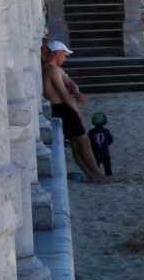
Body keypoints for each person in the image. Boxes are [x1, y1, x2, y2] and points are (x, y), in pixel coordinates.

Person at [42, 41, 106, 182]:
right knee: (84, 141)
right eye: (64, 55)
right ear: (56, 53)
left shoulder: (55, 68)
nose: (65, 58)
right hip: (62, 108)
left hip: (61, 108)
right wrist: (77, 112)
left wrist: (76, 92)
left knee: (76, 144)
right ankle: (97, 175)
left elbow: (70, 83)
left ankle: (91, 175)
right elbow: (64, 94)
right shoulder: (52, 69)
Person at [87, 111, 114, 177]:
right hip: (105, 153)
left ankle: (96, 177)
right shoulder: (106, 131)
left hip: (95, 154)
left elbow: (87, 142)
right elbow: (110, 141)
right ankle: (109, 177)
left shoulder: (91, 132)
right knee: (108, 168)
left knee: (94, 169)